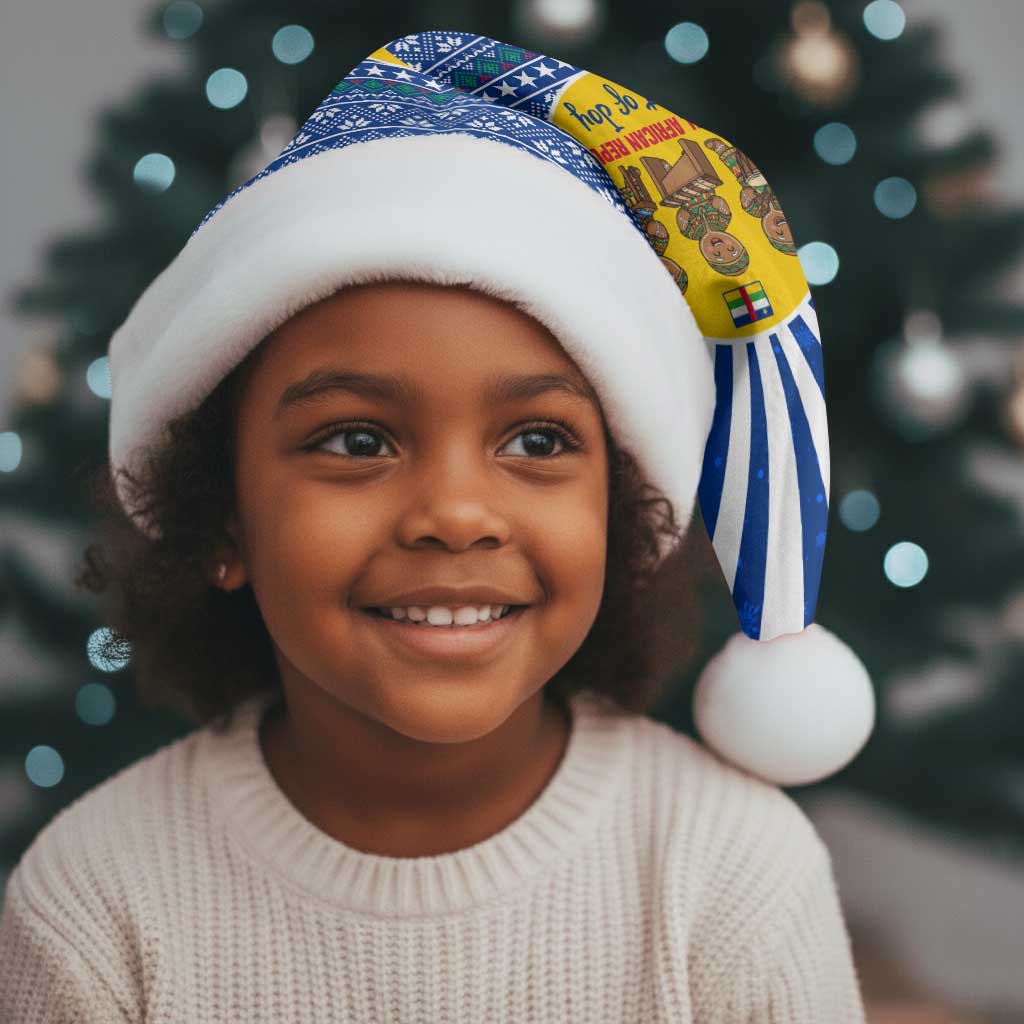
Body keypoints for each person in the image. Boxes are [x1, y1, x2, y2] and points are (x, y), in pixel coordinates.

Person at [0, 29, 873, 1022]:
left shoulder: (733, 874)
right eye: (358, 441)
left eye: (537, 440)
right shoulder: (96, 900)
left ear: (622, 510)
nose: (456, 515)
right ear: (221, 519)